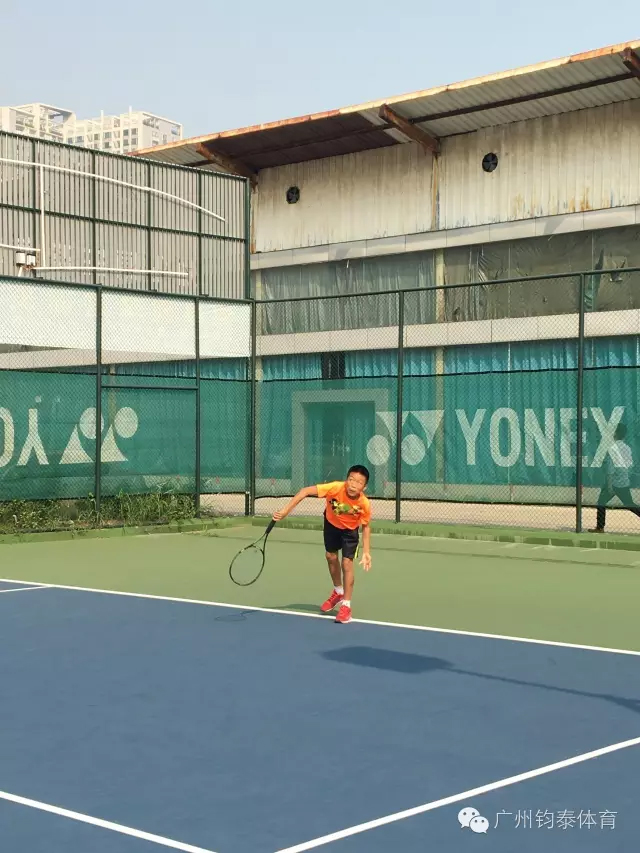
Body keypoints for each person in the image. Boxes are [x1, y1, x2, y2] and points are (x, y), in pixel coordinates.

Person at [273, 465, 372, 623]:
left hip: (350, 531)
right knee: (330, 557)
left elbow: (366, 526)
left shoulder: (364, 503)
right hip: (331, 525)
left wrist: (366, 552)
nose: (353, 485)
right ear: (346, 480)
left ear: (364, 487)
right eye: (351, 480)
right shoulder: (334, 488)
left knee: (347, 563)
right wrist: (285, 511)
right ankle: (338, 592)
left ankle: (346, 606)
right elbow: (305, 491)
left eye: (359, 482)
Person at [590, 424, 640, 532]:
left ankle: (600, 527)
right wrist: (625, 476)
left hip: (613, 482)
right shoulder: (627, 448)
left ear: (615, 434)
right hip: (623, 481)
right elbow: (630, 465)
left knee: (601, 502)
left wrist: (609, 486)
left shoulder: (612, 448)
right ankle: (600, 527)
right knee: (629, 504)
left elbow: (610, 470)